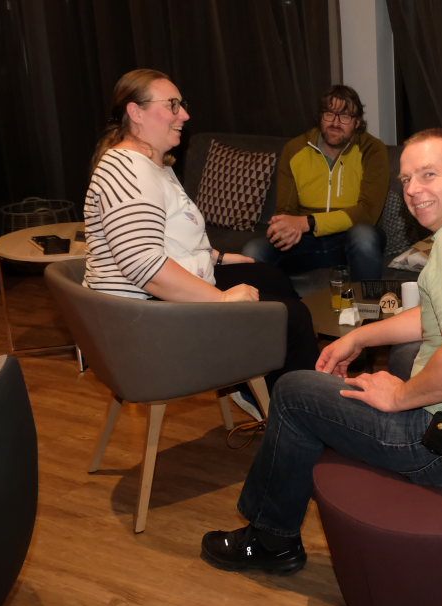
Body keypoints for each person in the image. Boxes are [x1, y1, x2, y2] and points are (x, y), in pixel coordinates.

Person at [201, 129, 442, 574]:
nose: (413, 189)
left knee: (294, 393)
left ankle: (270, 540)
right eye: (406, 179)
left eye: (428, 174)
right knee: (408, 356)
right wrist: (360, 337)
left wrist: (399, 397)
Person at [84, 69, 318, 416]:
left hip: (158, 303)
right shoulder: (128, 172)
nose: (184, 115)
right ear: (136, 112)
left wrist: (217, 257)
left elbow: (171, 238)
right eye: (172, 105)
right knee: (291, 317)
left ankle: (260, 390)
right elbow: (143, 266)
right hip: (146, 323)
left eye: (182, 105)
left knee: (269, 276)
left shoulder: (151, 165)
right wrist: (221, 299)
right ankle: (303, 416)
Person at [241, 84, 389, 281]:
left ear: (357, 123)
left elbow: (367, 213)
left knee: (364, 236)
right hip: (306, 240)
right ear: (320, 118)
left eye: (345, 117)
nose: (335, 123)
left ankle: (366, 301)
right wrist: (287, 228)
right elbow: (285, 211)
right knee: (253, 251)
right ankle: (288, 300)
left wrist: (309, 222)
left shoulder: (373, 150)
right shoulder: (294, 149)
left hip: (350, 237)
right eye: (329, 114)